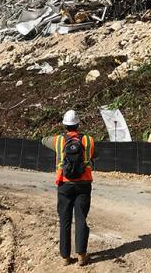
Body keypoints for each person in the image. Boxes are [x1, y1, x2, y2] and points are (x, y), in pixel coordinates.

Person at [54, 110, 96, 266]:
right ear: (78, 124)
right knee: (81, 219)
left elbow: (43, 141)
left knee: (64, 220)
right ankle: (81, 256)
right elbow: (93, 155)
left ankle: (65, 257)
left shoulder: (58, 140)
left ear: (65, 125)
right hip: (84, 184)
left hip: (64, 184)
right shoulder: (88, 140)